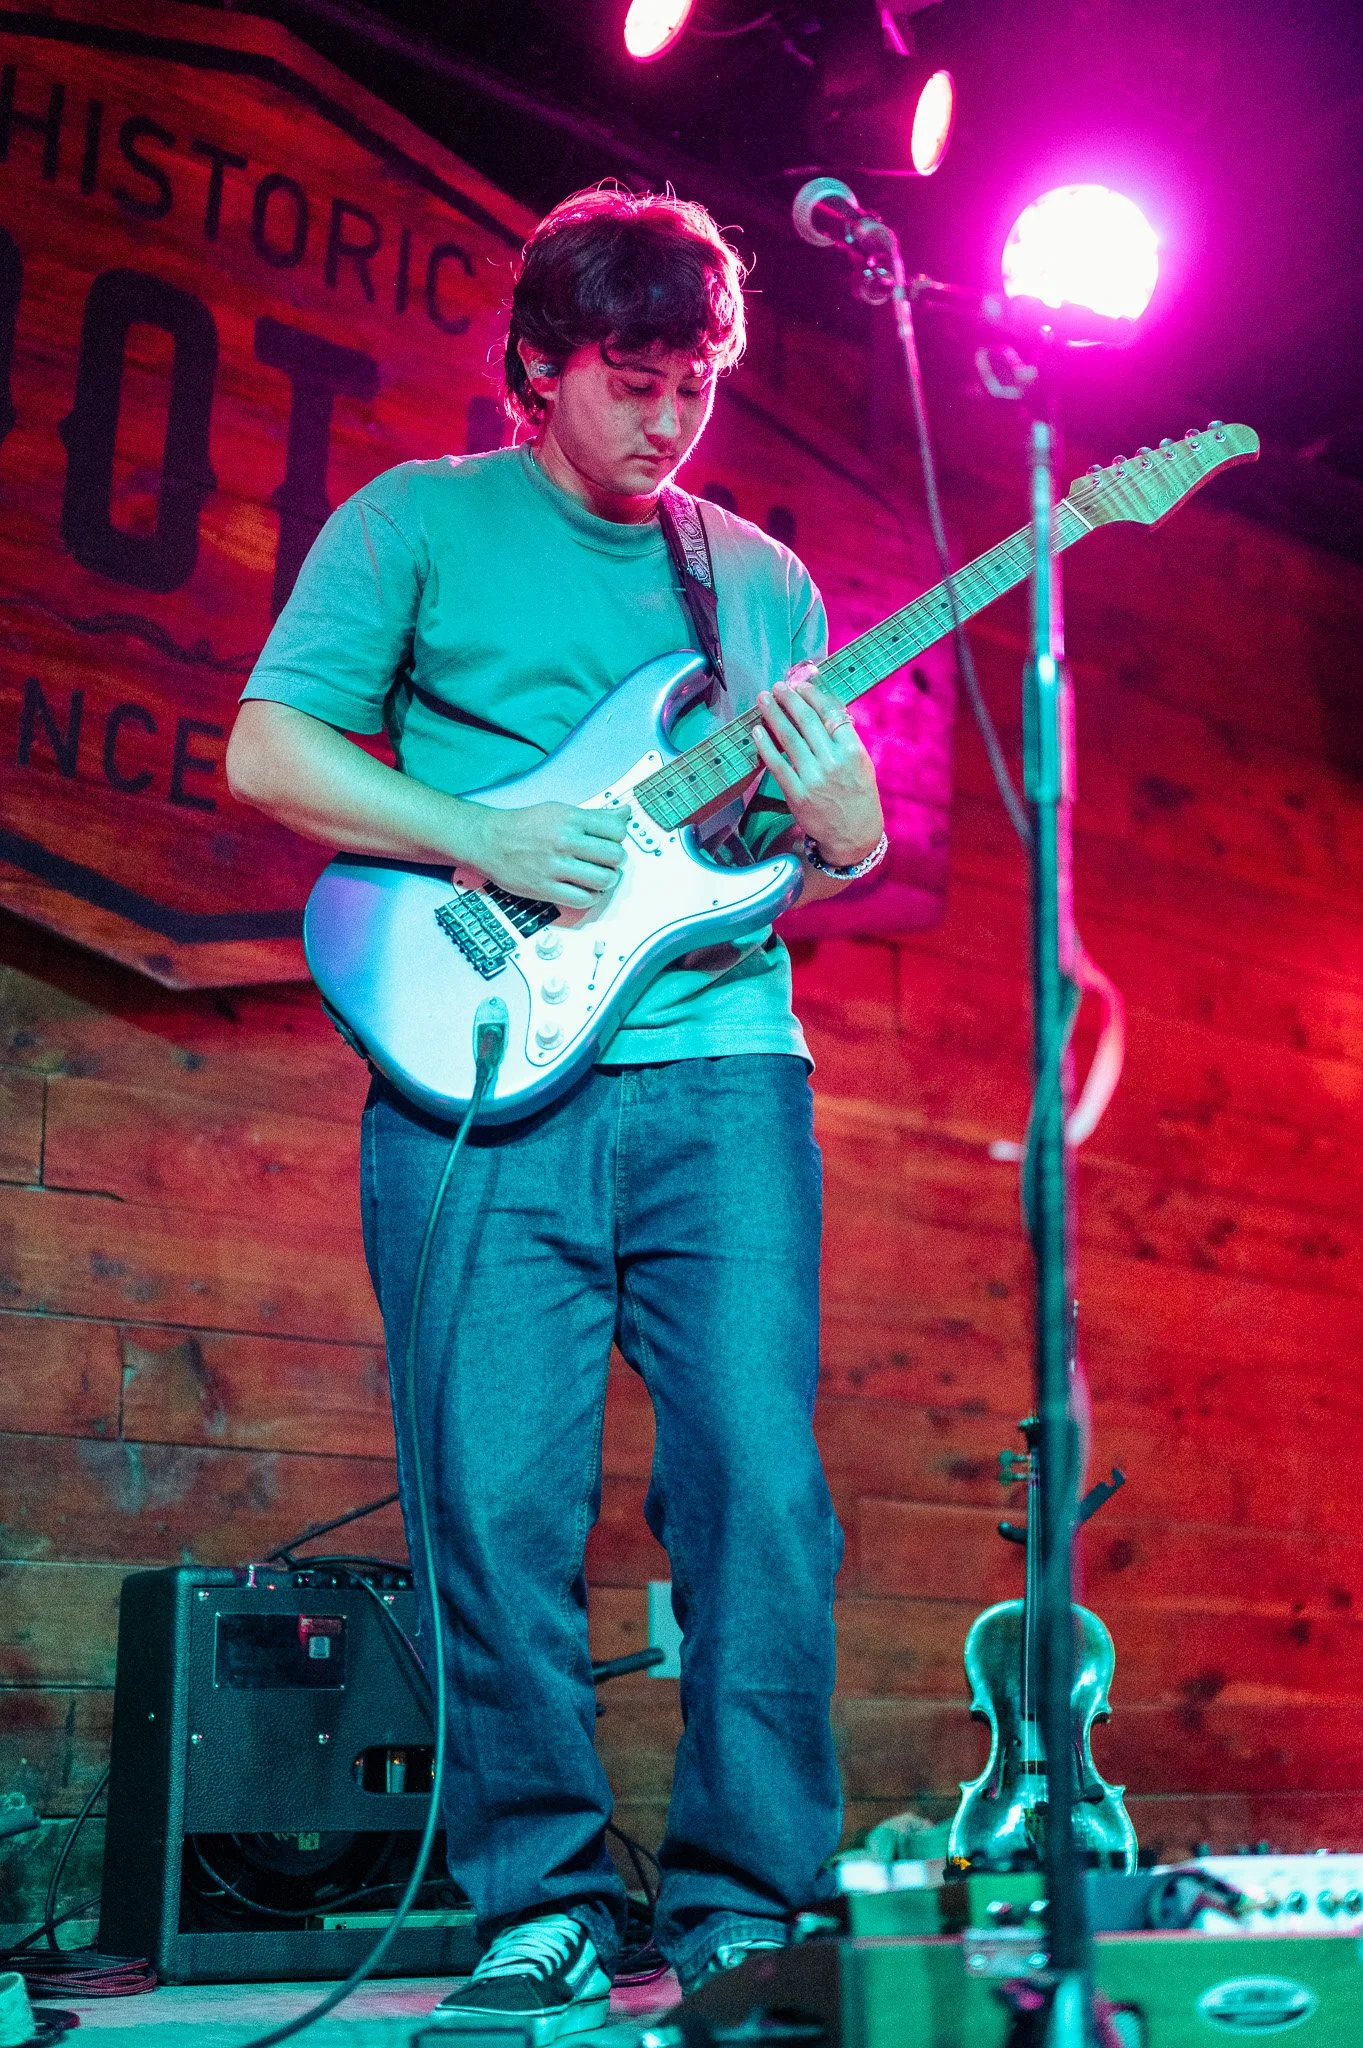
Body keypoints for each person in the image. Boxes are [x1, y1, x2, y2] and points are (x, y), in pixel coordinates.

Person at [227, 185, 886, 2040]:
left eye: (694, 383)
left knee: (757, 1492)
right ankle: (546, 1906)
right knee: (493, 1497)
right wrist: (479, 833)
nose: (668, 420)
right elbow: (267, 749)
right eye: (629, 378)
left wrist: (845, 840)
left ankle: (752, 1907)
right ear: (534, 370)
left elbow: (767, 850)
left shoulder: (752, 580)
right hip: (480, 1070)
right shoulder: (414, 523)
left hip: (720, 1067)